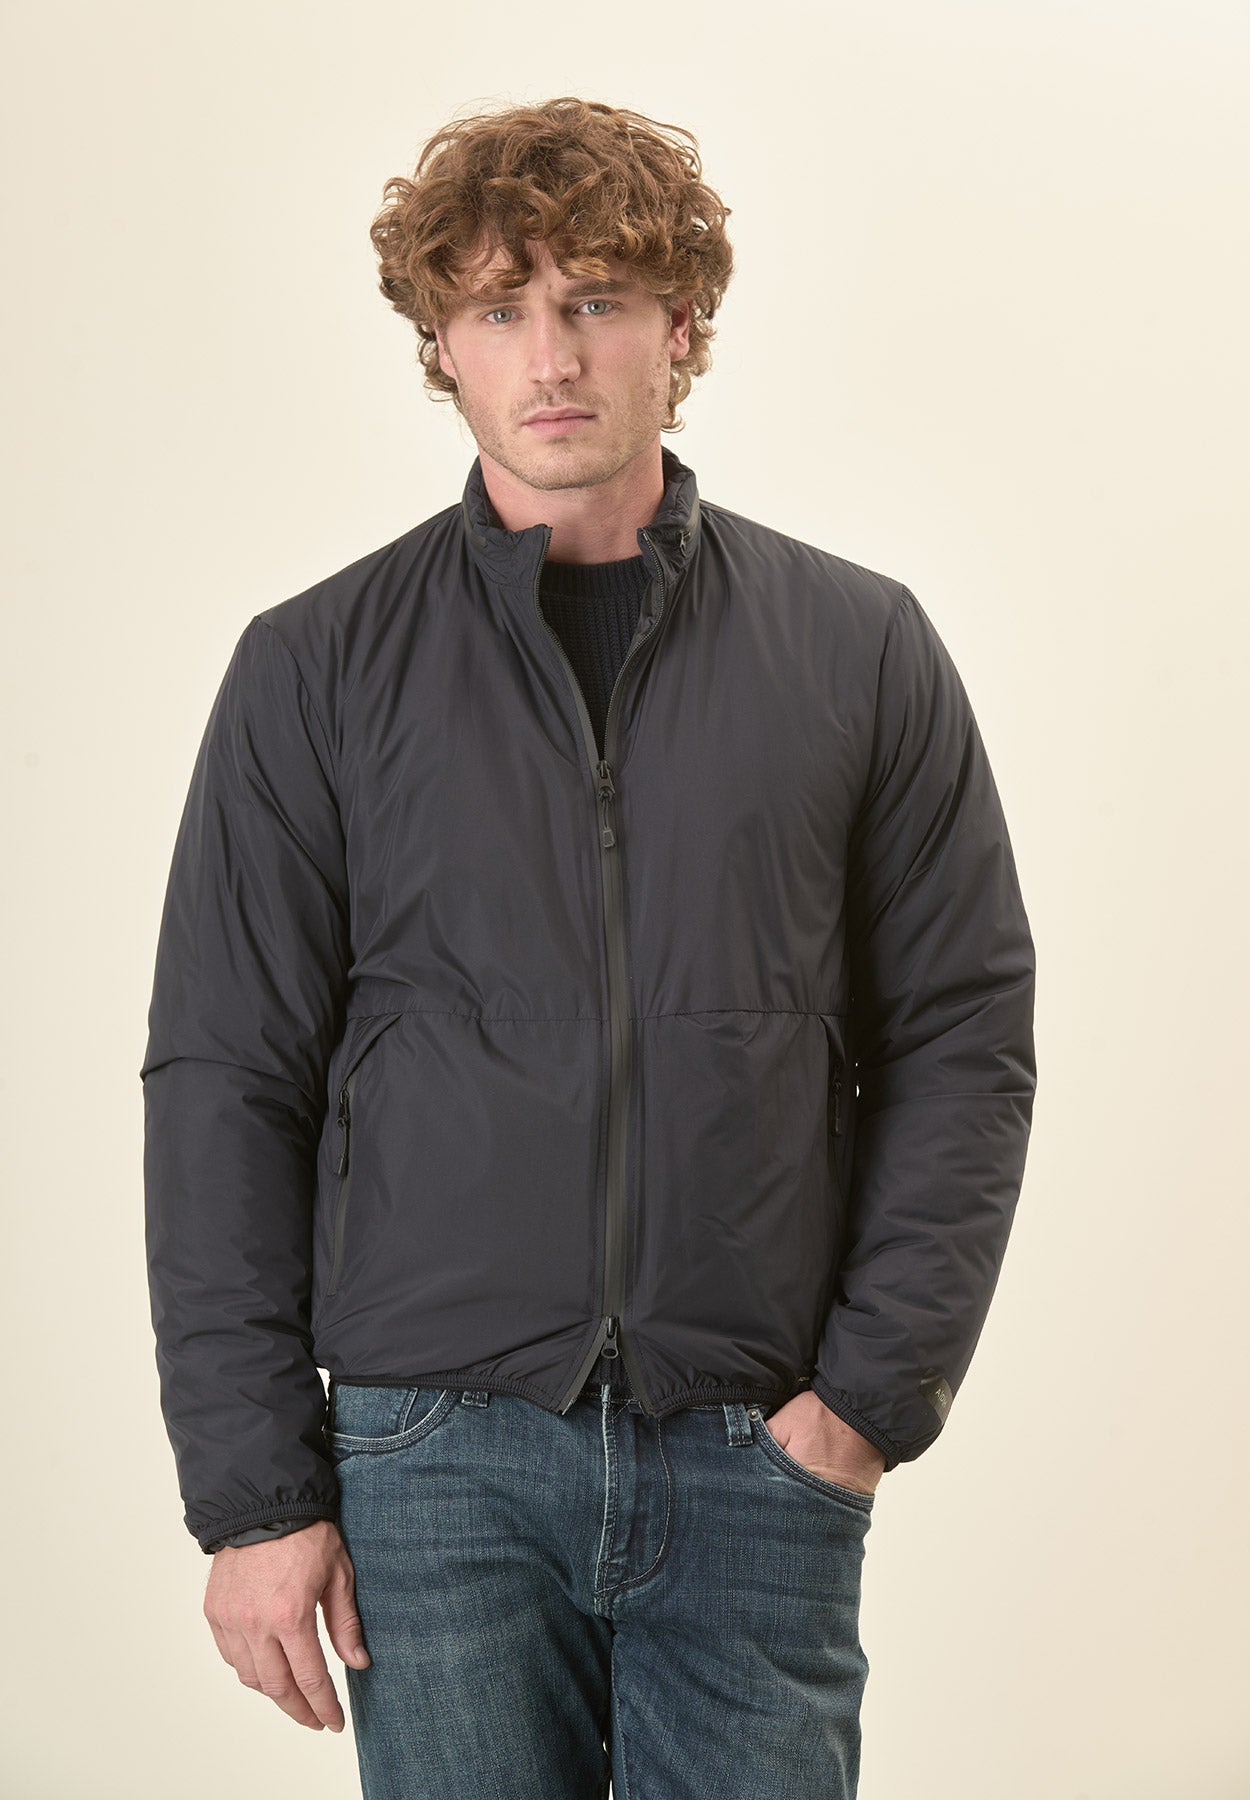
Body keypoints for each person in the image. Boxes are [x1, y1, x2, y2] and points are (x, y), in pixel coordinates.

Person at [140, 95, 1037, 1799]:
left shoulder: (857, 648)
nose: (550, 356)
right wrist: (255, 1495)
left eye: (596, 300)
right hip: (432, 1460)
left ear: (678, 328)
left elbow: (962, 1039)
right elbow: (224, 1081)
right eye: (499, 308)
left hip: (757, 1451)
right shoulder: (314, 669)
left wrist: (861, 1406)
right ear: (442, 346)